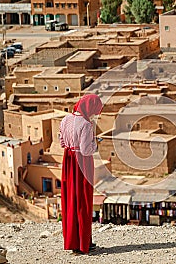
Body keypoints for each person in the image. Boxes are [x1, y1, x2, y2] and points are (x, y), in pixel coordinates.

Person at [59, 94, 103, 255]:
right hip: (82, 164)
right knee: (83, 202)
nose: (93, 114)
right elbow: (86, 150)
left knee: (70, 200)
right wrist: (96, 144)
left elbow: (62, 142)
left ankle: (73, 241)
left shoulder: (65, 119)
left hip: (68, 162)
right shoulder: (86, 124)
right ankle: (84, 243)